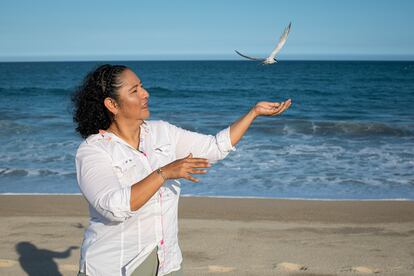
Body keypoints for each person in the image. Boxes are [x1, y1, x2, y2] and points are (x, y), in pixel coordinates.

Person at [71, 64, 291, 276]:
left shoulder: (162, 132)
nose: (145, 93)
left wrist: (253, 113)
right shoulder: (93, 151)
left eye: (142, 86)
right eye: (134, 90)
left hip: (168, 263)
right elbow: (114, 207)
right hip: (116, 266)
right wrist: (163, 173)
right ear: (112, 104)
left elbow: (215, 147)